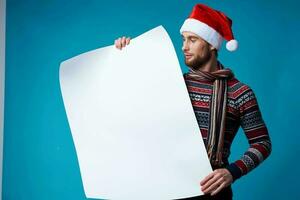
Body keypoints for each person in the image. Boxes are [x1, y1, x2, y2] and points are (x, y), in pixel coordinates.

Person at [114, 3, 271, 200]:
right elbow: (130, 102)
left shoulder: (240, 93)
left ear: (212, 44)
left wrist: (232, 172)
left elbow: (262, 143)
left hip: (213, 192)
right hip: (165, 189)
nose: (184, 47)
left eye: (192, 40)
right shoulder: (172, 85)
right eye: (183, 39)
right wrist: (125, 56)